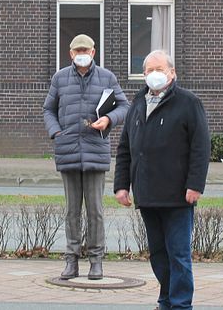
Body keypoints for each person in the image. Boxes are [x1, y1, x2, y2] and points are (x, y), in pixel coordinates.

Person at [114, 50, 210, 310]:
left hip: (178, 195)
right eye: (149, 70)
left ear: (172, 73)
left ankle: (180, 304)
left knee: (178, 254)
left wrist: (195, 185)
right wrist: (121, 185)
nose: (154, 75)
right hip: (147, 193)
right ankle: (166, 300)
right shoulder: (137, 103)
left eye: (160, 69)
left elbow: (201, 148)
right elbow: (125, 148)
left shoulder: (189, 103)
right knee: (158, 255)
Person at [43, 34, 129, 280]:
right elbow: (48, 109)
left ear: (93, 52)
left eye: (86, 50)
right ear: (71, 53)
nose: (81, 53)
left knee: (95, 210)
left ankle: (96, 261)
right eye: (77, 50)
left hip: (95, 150)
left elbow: (124, 106)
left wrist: (109, 119)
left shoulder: (107, 77)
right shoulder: (59, 78)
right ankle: (71, 260)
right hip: (67, 149)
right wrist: (56, 132)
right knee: (72, 210)